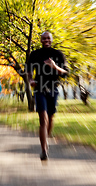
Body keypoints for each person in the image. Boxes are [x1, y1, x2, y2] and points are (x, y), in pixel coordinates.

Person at [27, 32, 68, 161]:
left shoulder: (58, 54)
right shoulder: (34, 54)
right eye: (44, 38)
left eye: (48, 38)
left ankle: (46, 140)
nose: (46, 40)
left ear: (51, 39)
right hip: (39, 89)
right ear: (41, 40)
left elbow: (66, 73)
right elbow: (28, 70)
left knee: (50, 118)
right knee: (43, 119)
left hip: (53, 90)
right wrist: (30, 80)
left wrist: (54, 66)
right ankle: (44, 150)